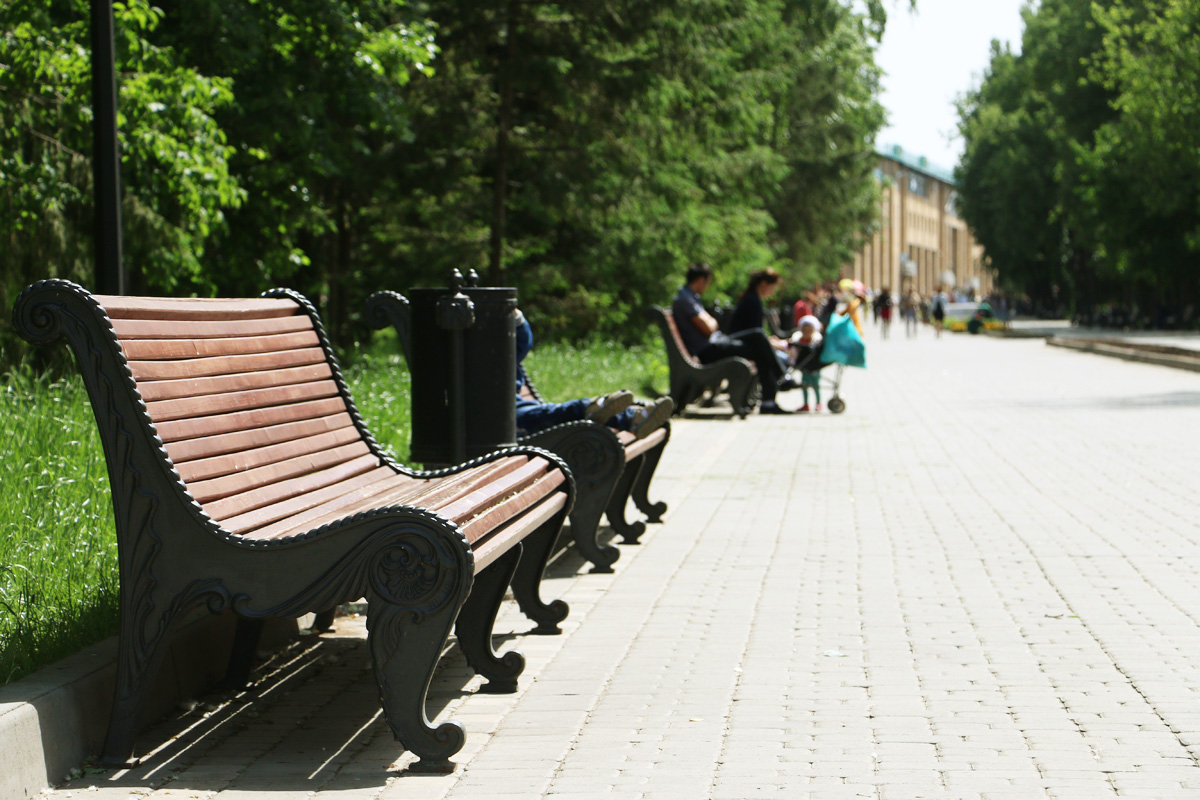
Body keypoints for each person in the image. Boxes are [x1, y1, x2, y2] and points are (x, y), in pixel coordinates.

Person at [515, 309, 673, 438]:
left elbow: (522, 342)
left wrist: (515, 316)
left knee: (552, 412)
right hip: (509, 422)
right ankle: (602, 410)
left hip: (517, 408)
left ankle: (625, 415)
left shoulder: (497, 348)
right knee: (555, 413)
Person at [671, 262, 791, 414]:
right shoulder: (685, 299)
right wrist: (710, 321)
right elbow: (709, 328)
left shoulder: (690, 298)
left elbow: (711, 323)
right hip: (708, 350)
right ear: (702, 280)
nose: (707, 286)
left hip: (714, 344)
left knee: (759, 341)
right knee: (758, 339)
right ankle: (779, 382)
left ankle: (772, 395)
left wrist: (710, 321)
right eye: (707, 282)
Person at [790, 315, 824, 413]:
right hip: (804, 366)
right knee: (804, 385)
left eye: (809, 329)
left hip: (814, 366)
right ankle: (805, 404)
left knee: (816, 385)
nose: (806, 331)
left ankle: (818, 403)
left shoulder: (816, 340)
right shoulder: (798, 339)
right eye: (804, 329)